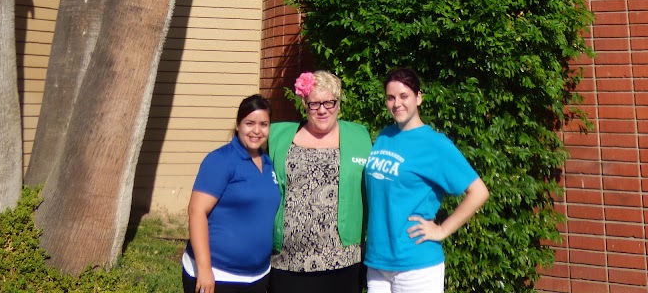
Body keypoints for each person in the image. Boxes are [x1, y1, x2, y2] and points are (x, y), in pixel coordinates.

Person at [364, 67, 490, 293]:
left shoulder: (435, 144)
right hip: (378, 262)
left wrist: (441, 230)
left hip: (416, 264)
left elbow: (479, 191)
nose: (397, 104)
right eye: (391, 98)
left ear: (418, 97)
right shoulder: (384, 136)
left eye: (404, 96)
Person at [267, 69, 373, 293]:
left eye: (329, 103)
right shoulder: (278, 135)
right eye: (315, 104)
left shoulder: (360, 137)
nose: (322, 110)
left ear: (338, 104)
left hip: (342, 260)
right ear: (305, 104)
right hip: (288, 259)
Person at [182, 94, 281, 293]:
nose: (256, 130)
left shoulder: (269, 164)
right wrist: (204, 269)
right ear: (238, 125)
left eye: (263, 124)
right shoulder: (220, 160)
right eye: (249, 123)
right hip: (218, 275)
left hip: (258, 275)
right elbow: (196, 212)